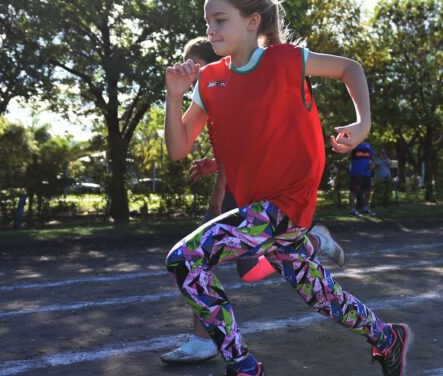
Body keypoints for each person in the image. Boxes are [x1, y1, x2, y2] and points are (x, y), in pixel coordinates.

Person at [163, 1, 411, 375]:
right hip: (263, 208)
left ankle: (243, 366)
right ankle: (386, 337)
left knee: (185, 259)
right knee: (321, 295)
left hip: (288, 201)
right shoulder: (210, 80)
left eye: (219, 20)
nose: (210, 30)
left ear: (252, 22)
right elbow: (179, 149)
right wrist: (174, 94)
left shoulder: (284, 60)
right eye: (207, 22)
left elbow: (349, 68)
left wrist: (362, 125)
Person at [161, 36, 346, 365]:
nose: (190, 69)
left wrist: (220, 186)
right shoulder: (210, 88)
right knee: (221, 265)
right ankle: (205, 338)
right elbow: (226, 143)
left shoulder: (243, 75)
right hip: (245, 185)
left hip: (261, 190)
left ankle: (314, 242)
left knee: (207, 260)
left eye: (196, 64)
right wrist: (215, 163)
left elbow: (259, 139)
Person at [349, 141, 376, 216]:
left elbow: (373, 158)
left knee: (368, 190)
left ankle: (365, 208)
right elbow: (348, 154)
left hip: (366, 173)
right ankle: (352, 209)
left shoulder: (368, 145)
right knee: (354, 191)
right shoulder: (353, 144)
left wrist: (372, 165)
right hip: (356, 172)